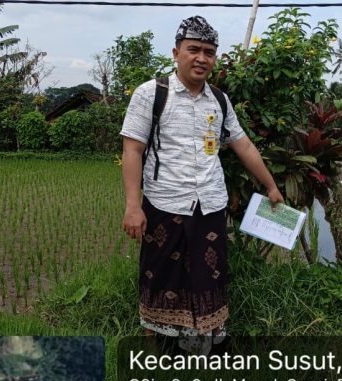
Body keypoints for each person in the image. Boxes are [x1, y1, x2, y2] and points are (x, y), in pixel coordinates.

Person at [120, 16, 283, 349]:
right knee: (160, 273)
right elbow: (133, 149)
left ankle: (202, 344)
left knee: (208, 276)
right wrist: (133, 205)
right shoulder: (151, 94)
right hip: (165, 203)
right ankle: (155, 346)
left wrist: (270, 185)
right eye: (193, 49)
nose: (201, 58)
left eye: (209, 52)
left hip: (209, 203)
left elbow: (244, 145)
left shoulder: (219, 101)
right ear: (176, 52)